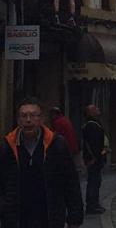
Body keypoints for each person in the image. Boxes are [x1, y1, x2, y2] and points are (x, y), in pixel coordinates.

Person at [0, 96, 83, 228]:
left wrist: (74, 218)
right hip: (16, 220)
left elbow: (70, 182)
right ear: (18, 120)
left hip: (50, 218)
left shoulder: (57, 145)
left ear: (41, 119)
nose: (28, 120)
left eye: (33, 115)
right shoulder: (7, 147)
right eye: (23, 116)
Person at [81, 106, 107, 215]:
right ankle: (92, 205)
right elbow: (94, 144)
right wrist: (95, 158)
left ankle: (94, 203)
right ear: (90, 113)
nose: (98, 109)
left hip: (95, 158)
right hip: (94, 159)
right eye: (95, 108)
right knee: (93, 181)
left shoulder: (93, 124)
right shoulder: (91, 125)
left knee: (96, 181)